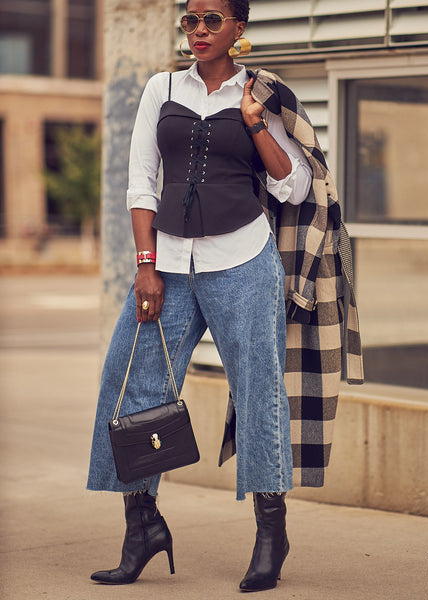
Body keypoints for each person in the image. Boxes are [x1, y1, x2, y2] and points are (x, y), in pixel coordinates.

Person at [87, 0, 363, 592]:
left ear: (239, 28)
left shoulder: (263, 94)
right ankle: (142, 528)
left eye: (213, 19)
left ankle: (271, 532)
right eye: (190, 20)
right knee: (132, 386)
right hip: (167, 263)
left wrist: (257, 122)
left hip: (242, 260)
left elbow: (292, 184)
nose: (200, 31)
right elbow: (141, 180)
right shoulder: (160, 88)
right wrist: (145, 265)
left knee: (259, 393)